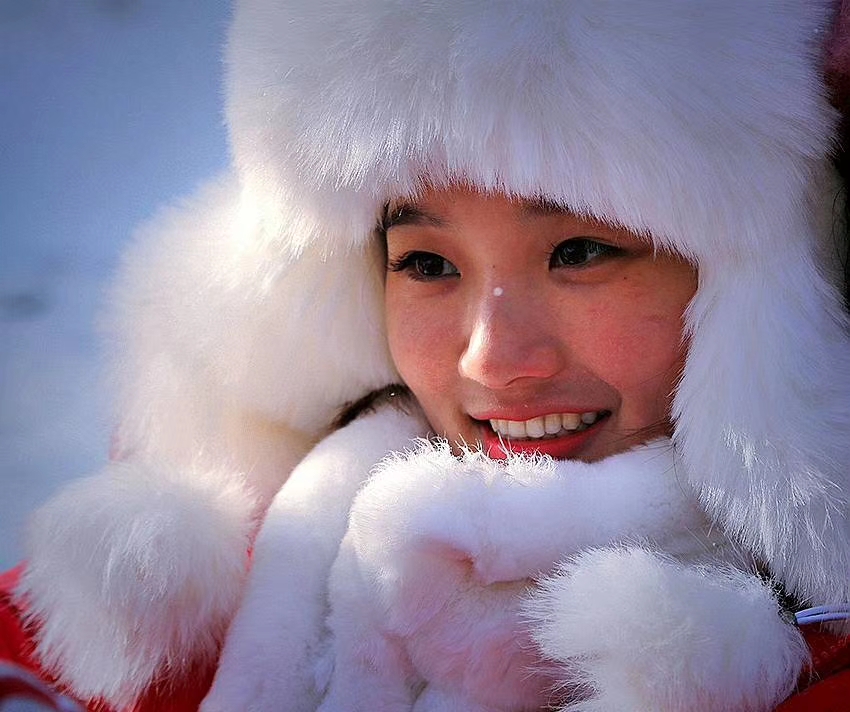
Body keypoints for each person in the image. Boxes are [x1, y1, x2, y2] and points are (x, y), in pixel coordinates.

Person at [2, 0, 850, 710]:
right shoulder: (240, 575)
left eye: (581, 250)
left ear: (776, 292)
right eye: (427, 264)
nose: (492, 359)